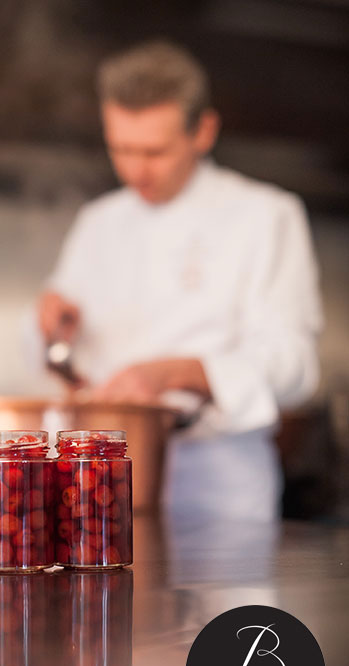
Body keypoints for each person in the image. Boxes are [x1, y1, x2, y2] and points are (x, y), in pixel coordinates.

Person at [28, 41, 323, 521]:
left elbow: (296, 368)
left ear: (203, 131)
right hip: (97, 493)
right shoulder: (98, 222)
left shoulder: (267, 217)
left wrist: (175, 373)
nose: (134, 169)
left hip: (220, 494)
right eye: (120, 148)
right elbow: (51, 353)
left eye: (154, 151)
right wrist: (49, 323)